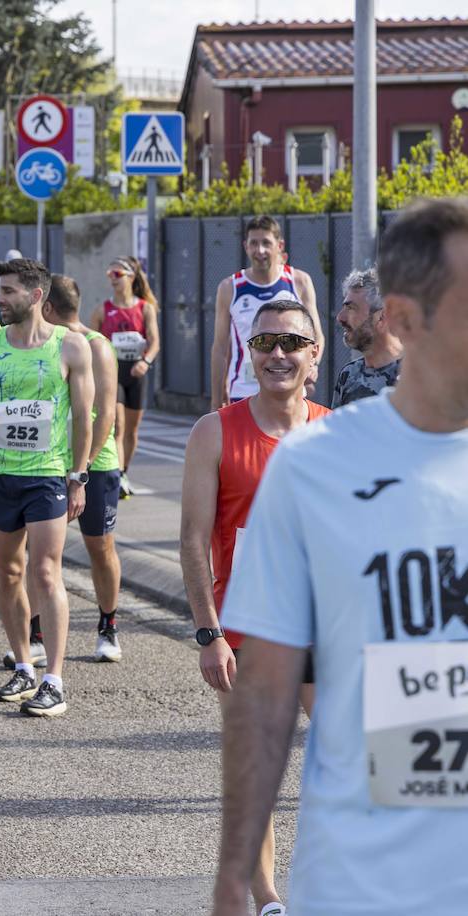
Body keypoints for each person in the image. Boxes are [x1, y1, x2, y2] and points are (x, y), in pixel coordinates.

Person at [212, 196, 468, 916]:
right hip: (366, 885)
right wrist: (235, 876)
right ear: (407, 319)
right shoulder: (314, 469)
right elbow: (263, 696)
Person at [181, 294, 327, 916]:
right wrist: (207, 633)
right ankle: (268, 899)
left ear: (314, 356)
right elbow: (190, 538)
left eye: (292, 343)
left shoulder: (336, 434)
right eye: (265, 342)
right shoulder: (214, 431)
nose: (278, 354)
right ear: (249, 351)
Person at [0, 259, 94, 716]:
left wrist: (78, 476)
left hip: (47, 474)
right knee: (9, 574)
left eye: (9, 291)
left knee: (46, 572)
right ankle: (23, 664)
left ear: (36, 297)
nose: (0, 299)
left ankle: (54, 678)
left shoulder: (71, 348)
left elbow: (82, 418)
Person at [45, 274, 124, 662]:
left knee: (100, 547)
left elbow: (106, 412)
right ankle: (37, 632)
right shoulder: (45, 344)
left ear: (47, 307)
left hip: (95, 464)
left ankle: (108, 625)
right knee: (43, 553)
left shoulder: (97, 346)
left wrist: (83, 468)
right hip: (47, 463)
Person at [211, 216, 322, 410]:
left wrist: (312, 365)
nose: (260, 250)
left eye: (266, 243)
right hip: (244, 390)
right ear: (246, 246)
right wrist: (215, 398)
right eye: (254, 243)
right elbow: (220, 347)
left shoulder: (299, 281)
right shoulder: (230, 287)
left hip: (289, 388)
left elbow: (316, 335)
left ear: (279, 245)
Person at [88, 256, 160, 498]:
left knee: (131, 430)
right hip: (112, 374)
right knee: (117, 426)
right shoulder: (102, 310)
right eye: (109, 274)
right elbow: (90, 342)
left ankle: (125, 470)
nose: (112, 279)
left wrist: (145, 361)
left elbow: (155, 342)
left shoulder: (145, 308)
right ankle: (117, 475)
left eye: (117, 274)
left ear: (131, 277)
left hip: (136, 372)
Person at [332, 268, 401, 407]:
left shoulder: (417, 377)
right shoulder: (349, 375)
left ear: (382, 317)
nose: (340, 318)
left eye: (351, 308)